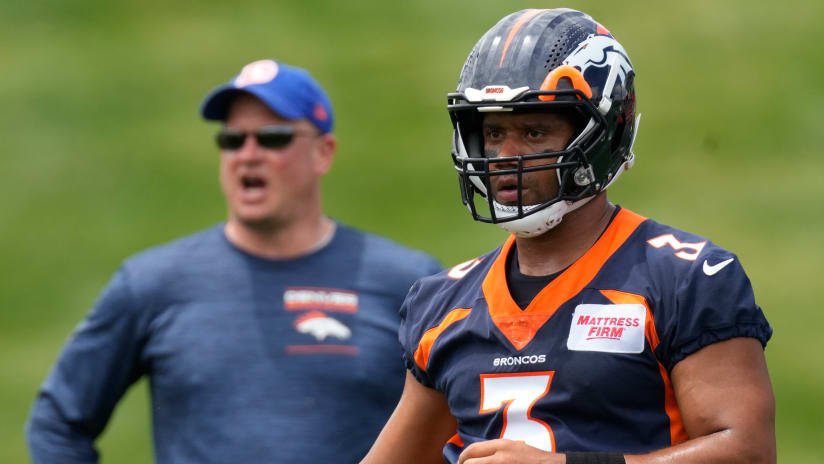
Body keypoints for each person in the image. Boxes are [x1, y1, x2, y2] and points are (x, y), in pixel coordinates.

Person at [363, 8, 774, 464]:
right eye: (494, 132)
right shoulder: (442, 302)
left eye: (534, 131)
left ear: (604, 134)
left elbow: (746, 452)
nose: (505, 155)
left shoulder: (687, 276)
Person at [26, 59, 442, 463]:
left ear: (323, 153)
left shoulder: (409, 284)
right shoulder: (152, 283)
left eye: (273, 138)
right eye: (232, 139)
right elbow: (58, 423)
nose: (248, 154)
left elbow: (462, 419)